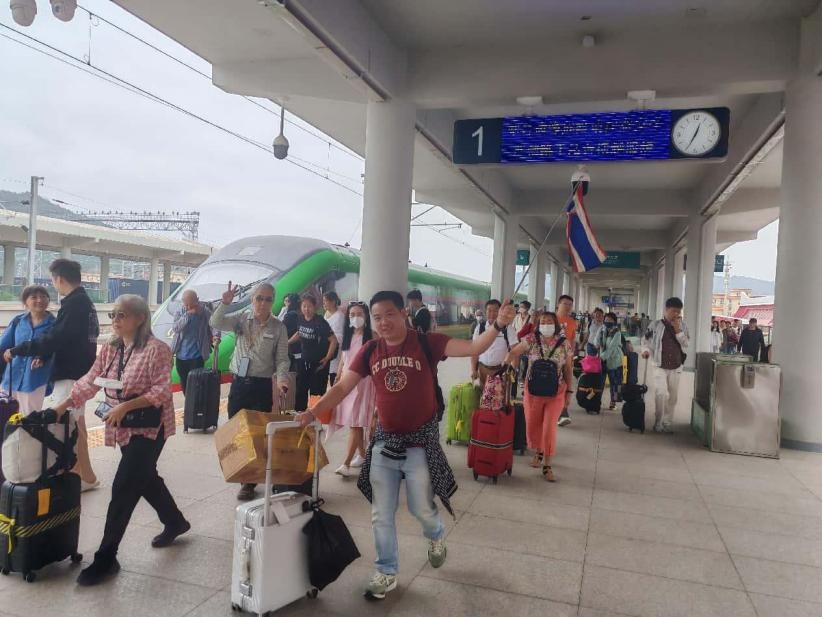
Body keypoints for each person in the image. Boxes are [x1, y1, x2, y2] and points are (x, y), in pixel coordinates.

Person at [296, 291, 515, 600]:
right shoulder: (370, 350)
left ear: (403, 313)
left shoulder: (428, 342)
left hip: (420, 443)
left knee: (420, 507)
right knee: (381, 513)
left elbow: (475, 347)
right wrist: (314, 411)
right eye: (377, 317)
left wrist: (497, 326)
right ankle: (386, 572)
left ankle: (436, 535)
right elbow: (344, 385)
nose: (382, 322)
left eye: (389, 314)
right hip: (385, 441)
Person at [52, 295, 189, 586]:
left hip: (150, 428)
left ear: (140, 318)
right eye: (113, 315)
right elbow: (90, 380)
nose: (115, 320)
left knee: (124, 486)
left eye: (122, 315)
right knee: (145, 478)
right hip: (123, 426)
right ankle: (175, 521)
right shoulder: (111, 349)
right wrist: (62, 406)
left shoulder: (157, 350)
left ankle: (106, 557)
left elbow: (163, 391)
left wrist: (126, 405)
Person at [7, 259, 99, 491]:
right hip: (76, 372)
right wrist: (46, 355)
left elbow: (56, 337)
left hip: (71, 375)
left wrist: (21, 350)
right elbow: (66, 338)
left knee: (70, 425)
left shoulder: (75, 303)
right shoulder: (83, 302)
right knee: (76, 424)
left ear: (58, 279)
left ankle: (80, 476)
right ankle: (86, 476)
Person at [210, 281, 290, 501]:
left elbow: (282, 359)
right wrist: (225, 303)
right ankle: (242, 471)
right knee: (238, 431)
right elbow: (215, 321)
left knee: (257, 434)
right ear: (252, 299)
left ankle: (249, 482)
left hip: (262, 386)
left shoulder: (278, 327)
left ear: (273, 301)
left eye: (268, 299)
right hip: (239, 384)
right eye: (259, 298)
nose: (263, 303)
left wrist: (282, 380)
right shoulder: (241, 320)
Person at [505, 311, 573, 482]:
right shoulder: (531, 339)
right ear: (538, 324)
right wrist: (507, 364)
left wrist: (569, 391)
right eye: (543, 321)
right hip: (533, 391)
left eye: (549, 321)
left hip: (556, 392)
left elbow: (568, 369)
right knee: (533, 424)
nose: (546, 324)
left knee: (549, 426)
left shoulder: (564, 343)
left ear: (555, 324)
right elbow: (515, 351)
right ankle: (539, 451)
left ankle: (547, 465)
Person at [329, 302, 375, 477]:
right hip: (347, 383)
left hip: (363, 383)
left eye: (359, 314)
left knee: (356, 422)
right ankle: (363, 455)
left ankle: (346, 463)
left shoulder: (372, 337)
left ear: (366, 316)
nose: (355, 317)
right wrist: (338, 377)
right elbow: (344, 358)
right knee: (354, 421)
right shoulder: (349, 336)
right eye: (352, 314)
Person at [0, 285, 55, 414]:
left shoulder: (54, 324)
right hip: (11, 378)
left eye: (43, 296)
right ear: (25, 302)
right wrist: (6, 354)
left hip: (34, 380)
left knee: (29, 420)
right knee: (7, 417)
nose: (39, 300)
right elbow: (3, 345)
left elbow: (54, 349)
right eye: (34, 297)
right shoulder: (18, 321)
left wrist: (42, 358)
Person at [641, 297, 690, 433]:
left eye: (678, 312)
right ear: (666, 310)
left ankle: (667, 423)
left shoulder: (683, 326)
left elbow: (686, 344)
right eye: (674, 311)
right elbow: (646, 340)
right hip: (659, 364)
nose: (676, 314)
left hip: (676, 365)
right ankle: (658, 423)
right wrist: (645, 351)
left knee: (673, 396)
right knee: (661, 392)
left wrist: (678, 330)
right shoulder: (655, 325)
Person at [289, 294, 338, 412]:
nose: (306, 309)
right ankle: (299, 414)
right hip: (305, 360)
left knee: (316, 392)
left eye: (309, 306)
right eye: (304, 306)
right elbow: (300, 333)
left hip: (319, 363)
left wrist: (327, 357)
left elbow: (334, 340)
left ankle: (316, 417)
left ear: (315, 307)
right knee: (301, 389)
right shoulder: (300, 319)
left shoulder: (320, 321)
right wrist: (288, 342)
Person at [171, 290, 214, 395]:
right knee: (184, 383)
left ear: (197, 300)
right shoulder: (180, 312)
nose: (189, 307)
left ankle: (197, 406)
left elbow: (214, 324)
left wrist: (216, 336)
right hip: (181, 356)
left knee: (197, 383)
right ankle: (189, 405)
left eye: (191, 303)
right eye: (186, 304)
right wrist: (187, 315)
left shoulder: (205, 312)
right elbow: (176, 328)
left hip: (197, 355)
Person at [470, 299, 517, 388]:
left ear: (500, 311)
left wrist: (512, 370)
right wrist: (473, 369)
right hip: (483, 369)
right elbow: (474, 350)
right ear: (485, 312)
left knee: (499, 397)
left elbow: (515, 350)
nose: (492, 313)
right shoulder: (480, 328)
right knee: (483, 395)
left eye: (496, 310)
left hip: (501, 370)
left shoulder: (508, 328)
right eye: (489, 310)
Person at [555, 295, 577, 427]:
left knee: (565, 384)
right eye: (565, 303)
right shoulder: (550, 318)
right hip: (551, 358)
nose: (568, 306)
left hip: (566, 359)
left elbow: (572, 339)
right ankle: (557, 412)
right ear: (559, 304)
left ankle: (563, 411)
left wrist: (572, 355)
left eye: (570, 304)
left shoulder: (572, 322)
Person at [600, 312, 626, 410]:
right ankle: (597, 400)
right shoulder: (602, 330)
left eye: (610, 320)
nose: (608, 321)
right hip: (603, 360)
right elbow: (597, 342)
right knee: (600, 382)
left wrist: (602, 356)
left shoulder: (617, 332)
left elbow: (611, 347)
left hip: (615, 361)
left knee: (615, 383)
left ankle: (613, 402)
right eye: (606, 320)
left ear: (614, 321)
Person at [323, 291, 346, 385]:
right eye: (323, 301)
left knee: (334, 374)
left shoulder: (339, 316)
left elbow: (339, 337)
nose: (323, 303)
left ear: (333, 302)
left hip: (335, 350)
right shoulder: (326, 313)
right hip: (325, 349)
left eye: (325, 301)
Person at [281, 292, 302, 370]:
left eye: (288, 301)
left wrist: (287, 342)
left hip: (293, 352)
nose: (286, 303)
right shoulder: (300, 313)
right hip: (301, 351)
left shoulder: (290, 315)